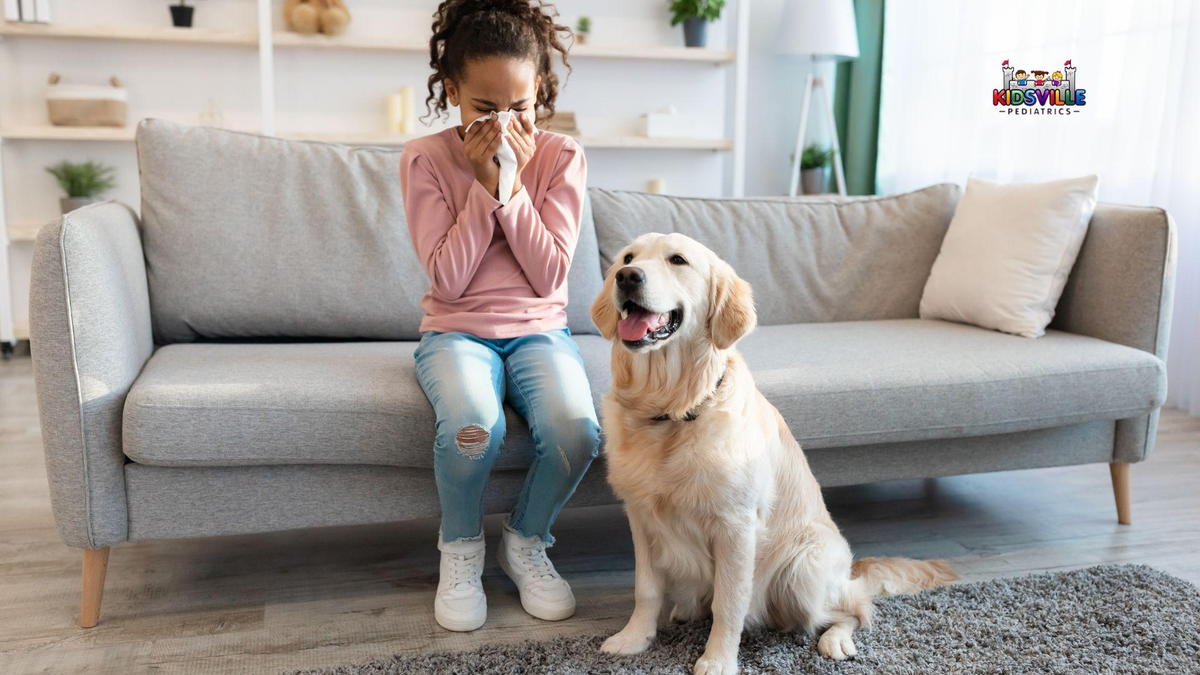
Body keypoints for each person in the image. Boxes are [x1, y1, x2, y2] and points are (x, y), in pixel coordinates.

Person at [399, 0, 599, 633]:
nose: (505, 123)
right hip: (456, 332)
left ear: (538, 89)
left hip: (540, 330)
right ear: (452, 92)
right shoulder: (426, 158)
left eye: (519, 107)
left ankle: (526, 541)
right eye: (485, 109)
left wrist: (510, 191)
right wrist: (484, 187)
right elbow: (449, 280)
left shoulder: (561, 156)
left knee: (578, 433)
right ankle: (459, 552)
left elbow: (550, 275)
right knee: (472, 426)